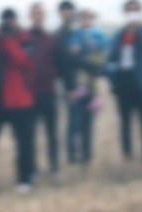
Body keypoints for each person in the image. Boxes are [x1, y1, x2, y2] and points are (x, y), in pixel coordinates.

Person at [0, 9, 37, 194]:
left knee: (24, 143)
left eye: (10, 20)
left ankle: (25, 180)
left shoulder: (26, 39)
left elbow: (24, 61)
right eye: (5, 20)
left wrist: (8, 40)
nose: (8, 24)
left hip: (20, 100)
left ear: (17, 21)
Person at [107, 1, 142, 164]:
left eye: (136, 11)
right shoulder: (118, 35)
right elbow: (111, 55)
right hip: (123, 83)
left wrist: (138, 28)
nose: (132, 14)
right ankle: (127, 154)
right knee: (125, 122)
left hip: (141, 83)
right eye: (130, 11)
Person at [67, 10, 108, 165]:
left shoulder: (97, 33)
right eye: (83, 19)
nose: (86, 22)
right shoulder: (78, 34)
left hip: (95, 60)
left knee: (94, 82)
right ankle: (83, 90)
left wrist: (95, 46)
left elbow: (104, 45)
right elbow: (74, 47)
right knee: (83, 77)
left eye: (88, 19)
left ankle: (95, 98)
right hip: (84, 65)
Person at [25, 3, 60, 177]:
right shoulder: (24, 38)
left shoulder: (51, 39)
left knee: (52, 133)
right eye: (35, 14)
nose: (38, 17)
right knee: (30, 134)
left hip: (48, 91)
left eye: (41, 14)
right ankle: (32, 169)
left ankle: (54, 167)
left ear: (44, 16)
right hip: (30, 94)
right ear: (30, 16)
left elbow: (60, 62)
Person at [55, 2, 80, 165]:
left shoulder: (76, 32)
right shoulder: (60, 34)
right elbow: (65, 61)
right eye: (65, 10)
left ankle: (79, 152)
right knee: (72, 119)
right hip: (68, 84)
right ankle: (71, 154)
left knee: (80, 119)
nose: (68, 13)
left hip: (81, 82)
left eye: (70, 10)